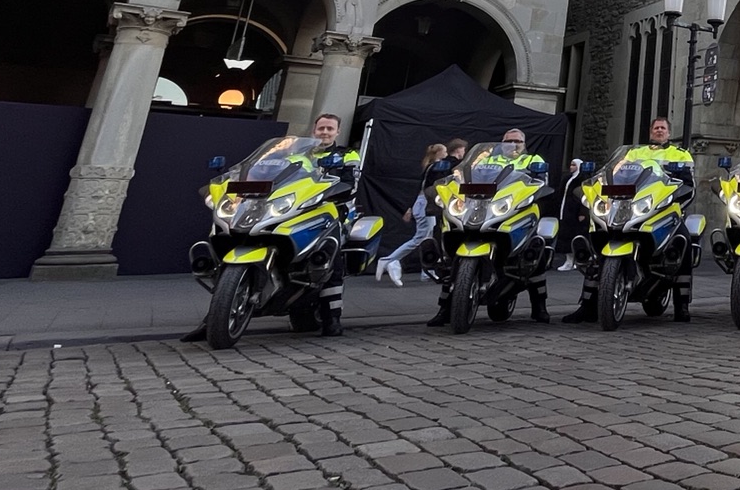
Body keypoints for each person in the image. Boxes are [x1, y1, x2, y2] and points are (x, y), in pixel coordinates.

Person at [180, 112, 360, 341]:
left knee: (329, 256)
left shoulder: (347, 154)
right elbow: (267, 173)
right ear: (314, 130)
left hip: (333, 209)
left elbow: (350, 182)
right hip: (297, 210)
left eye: (329, 129)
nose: (324, 132)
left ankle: (331, 319)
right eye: (321, 128)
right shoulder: (298, 153)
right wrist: (225, 183)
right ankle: (212, 320)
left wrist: (336, 190)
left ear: (337, 131)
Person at [565, 117, 693, 322]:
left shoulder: (679, 154)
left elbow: (688, 183)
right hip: (628, 207)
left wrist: (679, 196)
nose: (659, 131)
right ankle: (588, 305)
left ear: (669, 133)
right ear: (650, 131)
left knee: (683, 243)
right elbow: (613, 173)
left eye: (663, 128)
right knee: (596, 246)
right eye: (656, 128)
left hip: (664, 209)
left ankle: (682, 305)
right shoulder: (633, 153)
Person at [431, 128, 552, 325]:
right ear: (501, 142)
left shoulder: (531, 160)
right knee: (450, 257)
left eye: (517, 142)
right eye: (508, 141)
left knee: (534, 250)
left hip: (518, 207)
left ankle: (539, 307)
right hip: (482, 206)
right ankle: (445, 309)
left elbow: (541, 181)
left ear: (524, 144)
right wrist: (453, 179)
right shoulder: (487, 159)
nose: (513, 145)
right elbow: (464, 174)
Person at [377, 142, 450, 286]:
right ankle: (388, 260)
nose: (446, 154)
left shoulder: (430, 167)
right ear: (438, 153)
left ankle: (426, 271)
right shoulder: (435, 167)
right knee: (420, 237)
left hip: (426, 204)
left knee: (428, 238)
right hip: (425, 204)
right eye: (445, 152)